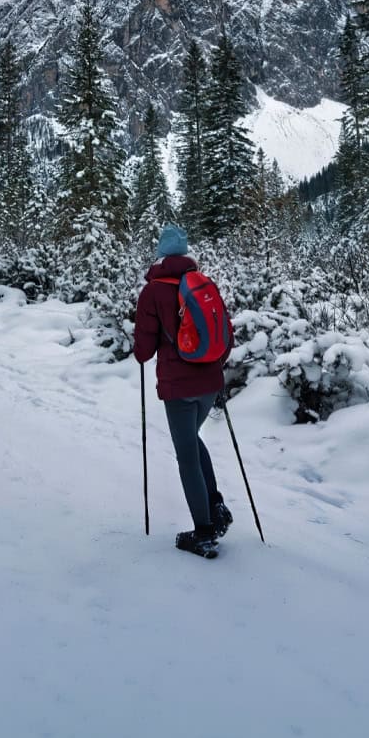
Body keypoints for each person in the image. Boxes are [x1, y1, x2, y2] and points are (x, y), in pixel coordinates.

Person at [133, 224, 233, 557]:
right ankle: (215, 504)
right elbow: (226, 336)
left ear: (161, 253)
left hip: (178, 388)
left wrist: (141, 346)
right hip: (210, 382)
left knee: (186, 454)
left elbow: (144, 352)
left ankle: (203, 533)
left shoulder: (153, 291)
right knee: (193, 439)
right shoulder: (204, 284)